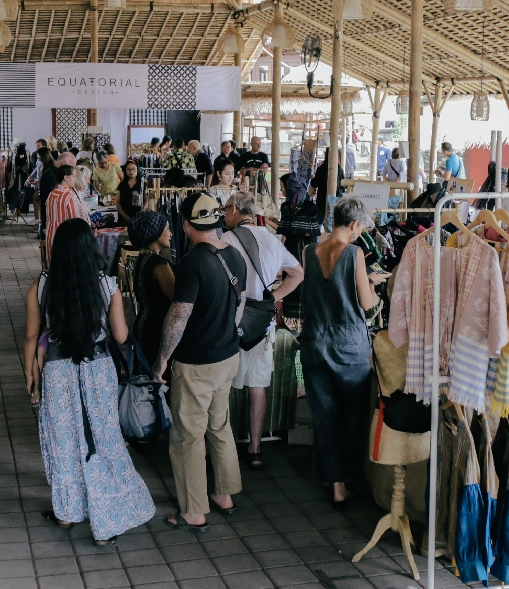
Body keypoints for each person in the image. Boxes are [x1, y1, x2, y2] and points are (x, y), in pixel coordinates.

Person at [23, 219, 155, 545]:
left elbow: (30, 336)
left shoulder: (42, 284)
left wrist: (30, 372)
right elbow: (121, 335)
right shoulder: (106, 285)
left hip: (56, 370)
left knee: (65, 439)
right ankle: (105, 523)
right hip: (97, 369)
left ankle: (67, 513)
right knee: (101, 439)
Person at [154, 192, 245, 531]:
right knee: (219, 426)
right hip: (228, 356)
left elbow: (179, 316)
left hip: (196, 364)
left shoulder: (193, 263)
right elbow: (241, 305)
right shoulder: (233, 255)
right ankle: (225, 494)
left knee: (188, 436)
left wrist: (162, 359)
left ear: (187, 224)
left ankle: (193, 510)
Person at [301, 197, 384, 505]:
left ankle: (334, 481)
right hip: (348, 347)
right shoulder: (354, 252)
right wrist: (373, 286)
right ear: (353, 225)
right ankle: (349, 476)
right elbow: (366, 303)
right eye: (360, 227)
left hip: (313, 342)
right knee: (352, 415)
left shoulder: (309, 251)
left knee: (324, 416)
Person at [222, 191, 303, 470]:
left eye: (224, 210)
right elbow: (298, 273)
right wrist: (275, 296)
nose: (223, 215)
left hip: (232, 320)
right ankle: (255, 448)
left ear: (234, 210)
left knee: (224, 386)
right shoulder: (270, 237)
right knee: (258, 386)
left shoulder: (226, 239)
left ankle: (225, 445)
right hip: (263, 322)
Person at [127, 210, 175, 365]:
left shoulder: (144, 257)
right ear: (155, 232)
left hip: (144, 324)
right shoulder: (159, 264)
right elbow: (176, 297)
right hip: (156, 329)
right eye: (167, 228)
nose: (171, 234)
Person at [44, 165, 91, 264]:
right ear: (66, 177)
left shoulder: (52, 193)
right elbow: (75, 221)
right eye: (74, 176)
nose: (75, 179)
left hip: (51, 235)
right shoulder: (69, 196)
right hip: (65, 238)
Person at [312, 148, 346, 220]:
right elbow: (343, 187)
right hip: (337, 201)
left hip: (322, 202)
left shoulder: (321, 169)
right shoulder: (339, 170)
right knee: (334, 223)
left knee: (319, 223)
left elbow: (314, 184)